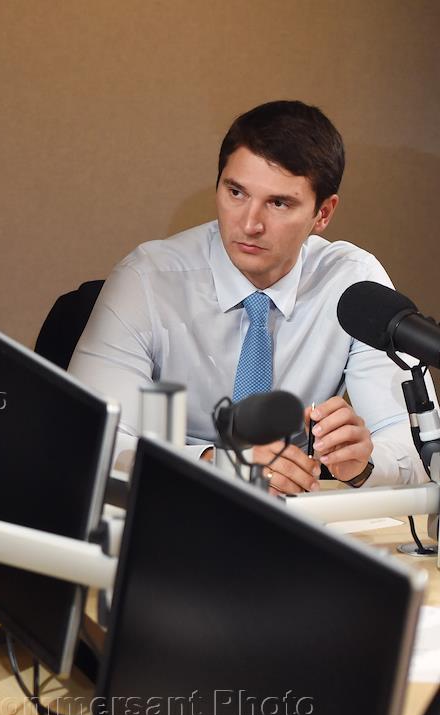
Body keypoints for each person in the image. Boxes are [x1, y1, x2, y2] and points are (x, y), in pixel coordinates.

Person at [69, 100, 432, 494]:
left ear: (323, 213)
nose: (249, 224)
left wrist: (362, 464)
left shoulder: (353, 282)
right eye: (236, 192)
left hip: (293, 512)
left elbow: (418, 448)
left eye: (278, 203)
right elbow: (88, 440)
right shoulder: (147, 280)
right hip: (171, 501)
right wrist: (217, 464)